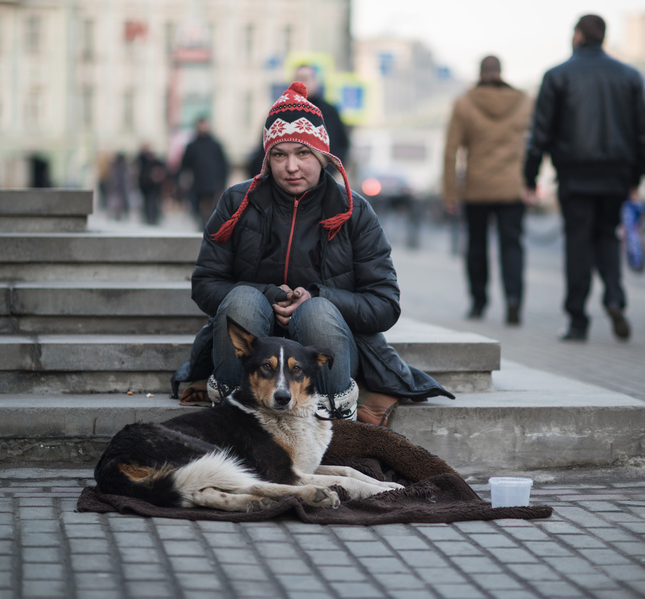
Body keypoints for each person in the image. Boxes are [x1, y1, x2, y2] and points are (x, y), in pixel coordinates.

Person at [172, 81, 452, 426]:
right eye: (279, 154)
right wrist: (268, 294)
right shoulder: (237, 202)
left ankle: (332, 413)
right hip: (253, 356)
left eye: (302, 153)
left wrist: (317, 296)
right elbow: (205, 284)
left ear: (323, 156)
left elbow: (384, 305)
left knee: (318, 310)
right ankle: (235, 411)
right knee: (243, 299)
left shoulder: (353, 211)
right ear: (267, 158)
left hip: (324, 347)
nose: (291, 166)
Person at [523, 14, 645, 342]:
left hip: (574, 176)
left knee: (578, 245)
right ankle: (614, 298)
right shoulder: (630, 76)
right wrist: (635, 178)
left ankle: (578, 319)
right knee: (608, 238)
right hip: (616, 175)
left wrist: (530, 177)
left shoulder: (557, 75)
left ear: (579, 36)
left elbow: (539, 133)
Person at [443, 55, 534, 325]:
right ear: (501, 72)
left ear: (480, 72)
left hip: (476, 189)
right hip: (512, 187)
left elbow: (451, 151)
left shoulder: (464, 103)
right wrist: (530, 182)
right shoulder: (524, 102)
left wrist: (450, 193)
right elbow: (536, 144)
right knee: (512, 245)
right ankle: (514, 300)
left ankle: (478, 302)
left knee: (476, 246)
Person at [179, 117, 229, 230]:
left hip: (212, 185)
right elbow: (185, 166)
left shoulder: (215, 145)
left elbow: (223, 167)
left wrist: (221, 184)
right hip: (197, 185)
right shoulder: (192, 146)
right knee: (198, 211)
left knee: (212, 212)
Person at [294, 65, 350, 165]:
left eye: (305, 79)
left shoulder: (329, 111)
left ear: (315, 81)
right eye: (298, 80)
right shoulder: (282, 112)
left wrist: (331, 170)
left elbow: (342, 145)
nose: (302, 83)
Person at [136, 143, 166, 225]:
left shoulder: (150, 159)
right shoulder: (142, 159)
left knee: (152, 202)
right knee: (149, 202)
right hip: (145, 185)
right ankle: (150, 218)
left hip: (151, 185)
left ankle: (152, 218)